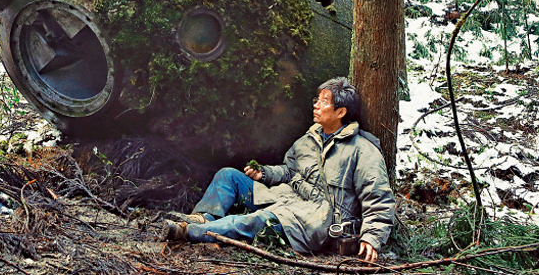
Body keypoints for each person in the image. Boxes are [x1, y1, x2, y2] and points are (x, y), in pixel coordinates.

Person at [162, 77, 395, 263]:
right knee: (228, 176)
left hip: (315, 219)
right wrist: (264, 174)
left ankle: (189, 232)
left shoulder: (363, 150)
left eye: (324, 101)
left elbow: (378, 197)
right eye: (317, 99)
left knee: (257, 220)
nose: (315, 105)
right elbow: (287, 170)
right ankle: (205, 219)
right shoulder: (308, 140)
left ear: (341, 112)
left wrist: (372, 237)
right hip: (285, 198)